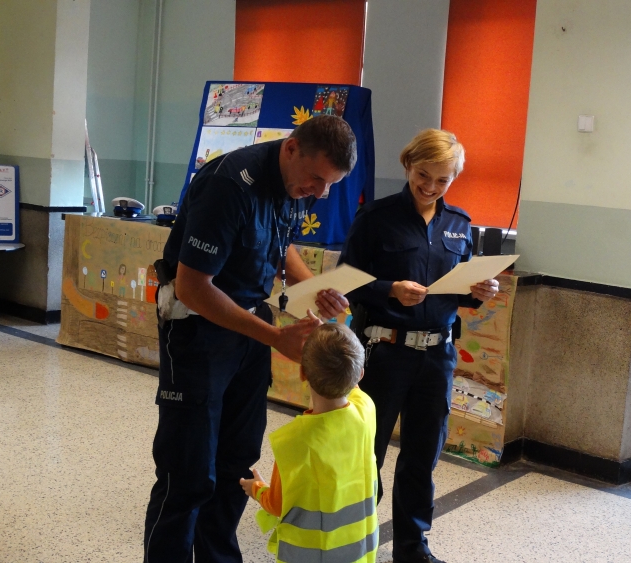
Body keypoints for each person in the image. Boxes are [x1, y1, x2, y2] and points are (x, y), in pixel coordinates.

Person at [144, 115, 358, 563]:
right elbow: (192, 288)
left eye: (330, 185)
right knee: (188, 472)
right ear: (291, 149)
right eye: (317, 179)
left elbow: (281, 245)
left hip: (249, 326)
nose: (319, 192)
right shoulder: (228, 185)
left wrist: (312, 287)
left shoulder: (294, 183)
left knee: (236, 462)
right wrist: (276, 337)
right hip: (197, 328)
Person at [340, 129, 499, 563]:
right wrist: (389, 289)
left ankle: (413, 547)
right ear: (408, 165)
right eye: (423, 175)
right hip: (384, 351)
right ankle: (354, 541)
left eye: (442, 180)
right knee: (367, 453)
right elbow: (345, 281)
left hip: (437, 356)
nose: (430, 186)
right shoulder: (375, 217)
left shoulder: (459, 224)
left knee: (422, 455)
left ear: (454, 178)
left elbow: (461, 289)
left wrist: (479, 291)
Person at [240, 323, 378, 563]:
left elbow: (276, 504)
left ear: (302, 373)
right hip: (358, 550)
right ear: (360, 375)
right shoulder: (366, 408)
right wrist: (331, 341)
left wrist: (255, 488)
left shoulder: (294, 441)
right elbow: (348, 376)